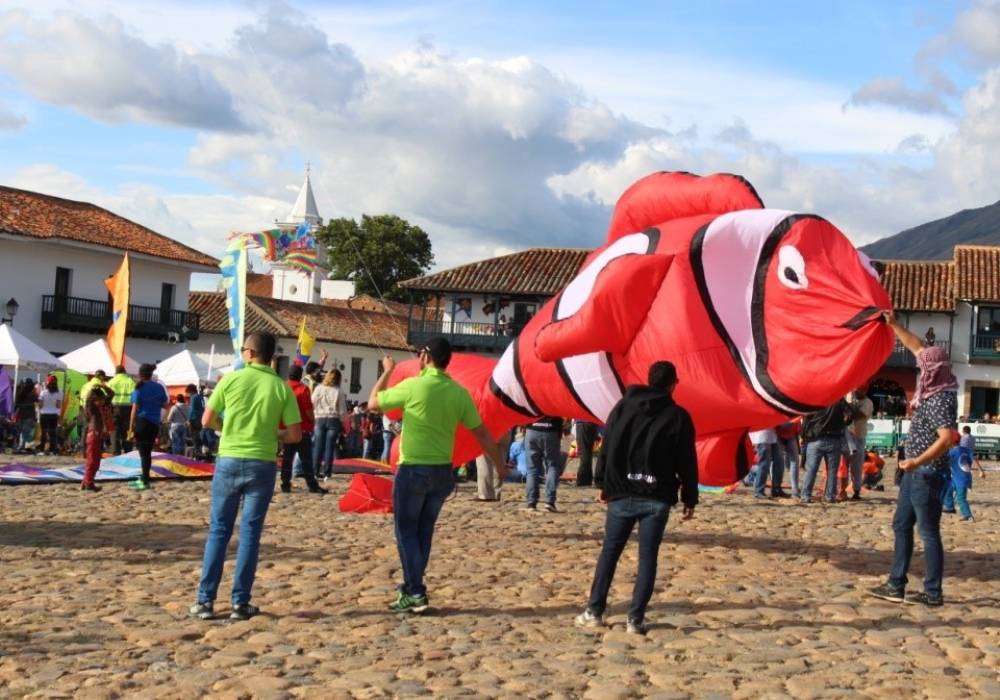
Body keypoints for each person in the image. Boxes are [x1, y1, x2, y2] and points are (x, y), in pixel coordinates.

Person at [368, 337, 505, 613]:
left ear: (425, 357)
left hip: (413, 470)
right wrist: (500, 464)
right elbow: (481, 432)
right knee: (424, 532)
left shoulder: (413, 385)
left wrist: (386, 371)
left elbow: (373, 404)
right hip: (443, 471)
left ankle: (415, 591)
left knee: (406, 532)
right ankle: (411, 588)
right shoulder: (458, 392)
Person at [575, 361, 697, 635]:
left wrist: (602, 483)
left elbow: (608, 446)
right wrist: (690, 497)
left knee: (610, 552)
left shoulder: (622, 408)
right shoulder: (678, 416)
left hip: (622, 491)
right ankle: (635, 619)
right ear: (672, 384)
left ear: (649, 379)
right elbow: (687, 460)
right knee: (647, 557)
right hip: (657, 495)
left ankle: (594, 611)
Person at [190, 331, 302, 621]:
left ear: (249, 353)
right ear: (271, 356)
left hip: (229, 458)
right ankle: (240, 602)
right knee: (250, 534)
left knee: (219, 530)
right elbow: (294, 434)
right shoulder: (281, 387)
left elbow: (206, 420)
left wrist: (223, 426)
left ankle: (205, 601)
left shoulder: (230, 380)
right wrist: (272, 433)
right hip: (261, 462)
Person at [870, 311, 957, 607]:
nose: (920, 364)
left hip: (927, 472)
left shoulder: (941, 399)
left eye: (924, 364)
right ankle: (896, 584)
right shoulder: (932, 385)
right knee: (901, 525)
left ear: (932, 370)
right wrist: (894, 324)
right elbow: (917, 346)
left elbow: (947, 439)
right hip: (913, 472)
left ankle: (933, 593)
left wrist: (916, 462)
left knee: (928, 531)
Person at [280, 365, 326, 495]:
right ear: (300, 375)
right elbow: (307, 410)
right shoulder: (303, 389)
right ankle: (312, 485)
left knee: (287, 458)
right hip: (303, 428)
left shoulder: (282, 387)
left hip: (287, 428)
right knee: (306, 459)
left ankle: (285, 483)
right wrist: (313, 420)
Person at [800, 399, 851, 504]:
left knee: (811, 470)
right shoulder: (839, 399)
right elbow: (850, 414)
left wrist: (803, 435)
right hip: (834, 438)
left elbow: (806, 419)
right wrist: (842, 424)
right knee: (832, 471)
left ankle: (806, 495)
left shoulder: (816, 398)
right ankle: (830, 496)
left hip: (815, 438)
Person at [129, 364, 167, 491]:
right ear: (151, 375)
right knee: (147, 453)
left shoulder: (138, 389)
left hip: (142, 422)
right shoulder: (159, 387)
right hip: (154, 423)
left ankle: (145, 481)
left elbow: (134, 409)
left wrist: (130, 426)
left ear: (140, 374)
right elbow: (165, 404)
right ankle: (145, 478)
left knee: (143, 453)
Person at [524, 415, 565, 512]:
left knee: (532, 469)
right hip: (551, 429)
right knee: (552, 466)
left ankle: (531, 503)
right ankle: (549, 501)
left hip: (532, 429)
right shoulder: (556, 399)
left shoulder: (534, 398)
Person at [312, 368, 346, 479]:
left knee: (318, 446)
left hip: (319, 418)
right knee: (329, 447)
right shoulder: (339, 391)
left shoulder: (319, 388)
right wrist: (342, 421)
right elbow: (342, 410)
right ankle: (327, 473)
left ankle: (315, 471)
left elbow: (312, 402)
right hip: (333, 419)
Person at [942, 437, 986, 521]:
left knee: (961, 499)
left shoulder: (951, 452)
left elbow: (944, 463)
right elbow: (975, 459)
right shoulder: (966, 449)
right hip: (961, 478)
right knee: (948, 489)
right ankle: (950, 507)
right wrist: (981, 470)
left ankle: (968, 516)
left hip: (960, 480)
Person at [81, 387, 112, 492]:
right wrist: (95, 390)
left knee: (95, 461)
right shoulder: (92, 409)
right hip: (93, 435)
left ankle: (86, 482)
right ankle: (89, 483)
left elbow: (111, 395)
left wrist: (103, 386)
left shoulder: (98, 408)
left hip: (96, 436)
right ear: (95, 400)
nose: (103, 401)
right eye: (101, 399)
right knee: (92, 461)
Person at [845, 387, 874, 500]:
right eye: (855, 390)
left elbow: (858, 415)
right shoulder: (849, 396)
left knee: (856, 467)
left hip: (859, 437)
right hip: (846, 435)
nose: (856, 392)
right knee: (843, 464)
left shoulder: (868, 403)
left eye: (859, 390)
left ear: (865, 390)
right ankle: (841, 490)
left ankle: (856, 491)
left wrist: (848, 404)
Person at [749, 427, 786, 499]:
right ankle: (759, 491)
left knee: (779, 462)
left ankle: (776, 489)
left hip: (773, 433)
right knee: (764, 464)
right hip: (762, 435)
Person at [108, 366, 136, 455]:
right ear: (125, 372)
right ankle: (128, 450)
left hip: (114, 408)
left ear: (116, 372)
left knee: (114, 430)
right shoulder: (130, 381)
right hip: (128, 408)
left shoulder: (111, 382)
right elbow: (135, 395)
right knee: (128, 429)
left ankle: (116, 451)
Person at [36, 376, 63, 456]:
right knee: (52, 433)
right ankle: (52, 450)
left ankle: (41, 450)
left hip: (44, 415)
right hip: (54, 415)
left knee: (44, 432)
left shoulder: (43, 392)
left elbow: (40, 405)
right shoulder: (60, 392)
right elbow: (58, 406)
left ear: (47, 383)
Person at [775, 419, 801, 498]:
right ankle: (778, 487)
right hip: (783, 434)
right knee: (782, 462)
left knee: (790, 462)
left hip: (787, 434)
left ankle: (778, 487)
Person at [13, 378, 37, 454]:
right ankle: (22, 446)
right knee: (26, 432)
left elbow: (16, 404)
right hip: (29, 415)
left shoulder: (20, 392)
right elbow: (37, 402)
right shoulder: (33, 394)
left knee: (20, 431)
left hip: (21, 415)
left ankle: (20, 446)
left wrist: (14, 413)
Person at [574, 420, 599, 487]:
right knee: (587, 453)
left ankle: (582, 480)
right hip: (590, 423)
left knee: (584, 453)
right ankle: (587, 479)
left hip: (584, 423)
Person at [186, 384, 206, 456]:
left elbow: (192, 409)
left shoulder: (193, 397)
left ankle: (197, 452)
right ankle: (200, 451)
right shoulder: (200, 397)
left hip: (194, 419)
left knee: (194, 436)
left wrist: (189, 420)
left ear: (191, 391)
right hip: (200, 418)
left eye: (188, 392)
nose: (188, 394)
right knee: (199, 435)